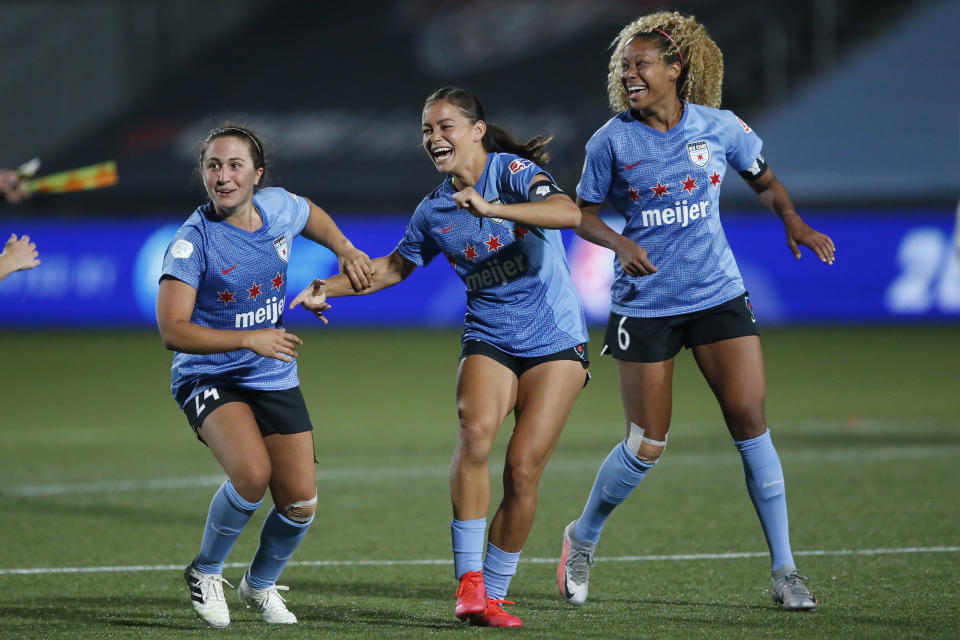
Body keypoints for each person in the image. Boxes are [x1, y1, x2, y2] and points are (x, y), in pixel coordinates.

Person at [556, 11, 835, 612]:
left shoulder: (721, 127)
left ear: (675, 68)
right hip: (646, 304)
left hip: (717, 293)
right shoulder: (610, 141)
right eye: (624, 67)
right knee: (646, 444)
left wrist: (793, 219)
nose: (630, 75)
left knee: (750, 420)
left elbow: (764, 180)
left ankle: (785, 570)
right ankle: (582, 536)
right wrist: (620, 244)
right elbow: (581, 212)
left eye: (641, 64)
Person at [291, 87, 590, 628]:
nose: (433, 138)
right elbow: (393, 269)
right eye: (427, 130)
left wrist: (491, 205)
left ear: (477, 129)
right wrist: (325, 288)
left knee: (522, 472)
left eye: (445, 126)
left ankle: (494, 592)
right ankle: (471, 587)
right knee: (474, 434)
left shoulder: (512, 174)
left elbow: (567, 213)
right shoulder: (433, 209)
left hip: (555, 339)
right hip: (490, 337)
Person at [156, 124, 373, 628]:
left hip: (269, 369)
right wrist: (248, 338)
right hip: (208, 373)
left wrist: (343, 247)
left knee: (300, 502)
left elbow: (310, 213)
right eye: (213, 165)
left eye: (235, 166)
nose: (223, 176)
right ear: (203, 174)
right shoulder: (192, 244)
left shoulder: (276, 208)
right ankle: (206, 571)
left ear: (257, 174)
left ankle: (260, 583)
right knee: (251, 475)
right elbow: (172, 330)